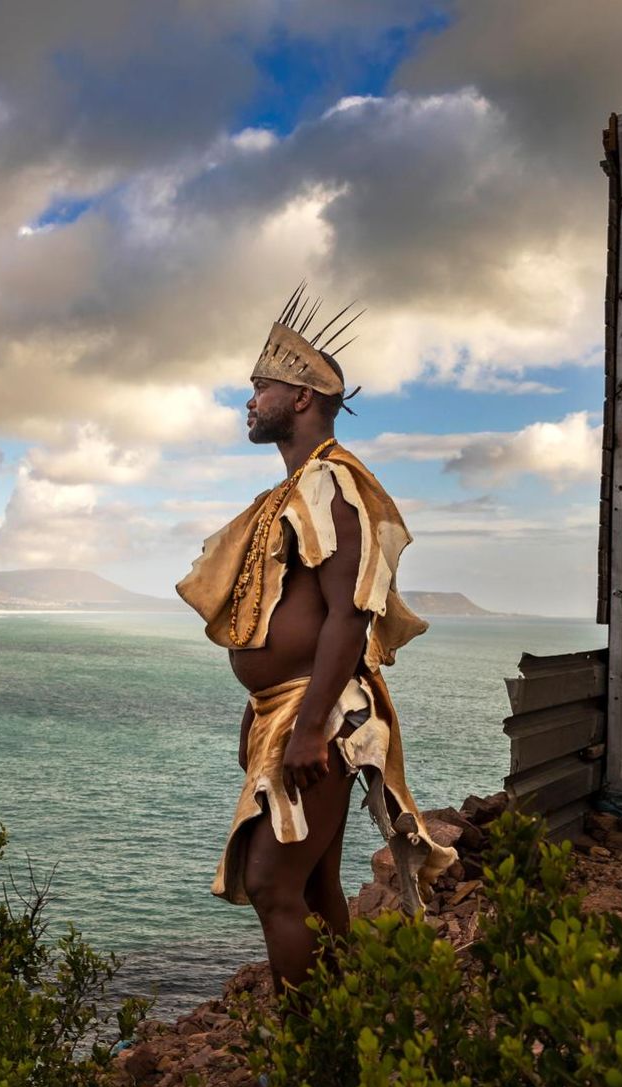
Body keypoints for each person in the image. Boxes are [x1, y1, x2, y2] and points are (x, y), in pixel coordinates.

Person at [176, 286, 456, 993]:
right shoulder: (296, 490)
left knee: (275, 886)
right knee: (319, 884)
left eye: (261, 387)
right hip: (291, 709)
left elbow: (349, 614)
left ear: (302, 398)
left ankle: (311, 1047)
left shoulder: (332, 485)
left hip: (321, 717)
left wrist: (305, 729)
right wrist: (264, 702)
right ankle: (346, 1029)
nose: (249, 401)